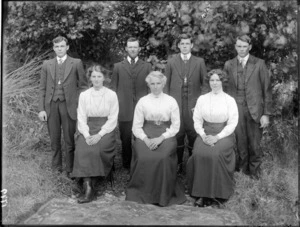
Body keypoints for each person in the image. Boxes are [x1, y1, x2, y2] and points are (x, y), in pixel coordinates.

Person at [125, 71, 186, 206]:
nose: (156, 86)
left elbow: (176, 126)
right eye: (152, 84)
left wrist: (161, 138)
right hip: (145, 133)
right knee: (143, 155)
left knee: (163, 157)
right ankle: (141, 193)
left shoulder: (171, 101)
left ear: (163, 84)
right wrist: (146, 139)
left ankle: (163, 194)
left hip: (166, 134)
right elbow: (136, 126)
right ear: (148, 85)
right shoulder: (143, 101)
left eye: (158, 83)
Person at [186, 69, 238, 207]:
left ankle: (217, 195)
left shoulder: (229, 100)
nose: (214, 83)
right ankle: (200, 194)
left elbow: (232, 123)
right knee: (199, 153)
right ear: (209, 82)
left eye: (217, 80)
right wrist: (203, 135)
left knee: (215, 154)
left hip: (224, 134)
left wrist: (217, 137)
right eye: (212, 80)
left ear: (223, 82)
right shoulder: (202, 99)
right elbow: (196, 120)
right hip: (205, 133)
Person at [38, 36, 88, 177]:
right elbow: (42, 88)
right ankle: (56, 168)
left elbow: (83, 86)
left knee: (69, 139)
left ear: (67, 47)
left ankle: (70, 168)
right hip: (51, 105)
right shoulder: (47, 64)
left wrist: (77, 103)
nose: (59, 49)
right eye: (57, 46)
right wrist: (41, 109)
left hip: (68, 105)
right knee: (54, 138)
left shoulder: (76, 63)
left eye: (62, 46)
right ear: (53, 48)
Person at [223, 34, 272, 179]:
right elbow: (224, 89)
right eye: (239, 46)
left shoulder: (259, 64)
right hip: (235, 109)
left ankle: (255, 175)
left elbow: (266, 90)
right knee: (241, 143)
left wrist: (266, 114)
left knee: (255, 144)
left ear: (250, 47)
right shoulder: (229, 64)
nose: (242, 49)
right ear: (235, 47)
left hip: (255, 110)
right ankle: (243, 174)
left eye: (245, 46)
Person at [71, 65, 119, 203]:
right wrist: (86, 135)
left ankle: (90, 186)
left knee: (97, 148)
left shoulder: (111, 95)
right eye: (94, 76)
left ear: (104, 78)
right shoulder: (84, 95)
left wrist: (100, 135)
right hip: (87, 127)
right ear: (90, 78)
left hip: (105, 129)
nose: (96, 79)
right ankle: (88, 186)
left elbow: (113, 118)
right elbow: (81, 117)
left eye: (99, 76)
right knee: (83, 148)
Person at [164, 33, 209, 173]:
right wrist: (167, 105)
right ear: (178, 45)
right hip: (176, 106)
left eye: (187, 43)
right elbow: (165, 85)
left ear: (191, 45)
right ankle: (177, 164)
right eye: (182, 44)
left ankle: (193, 163)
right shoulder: (171, 62)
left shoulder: (199, 62)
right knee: (177, 134)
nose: (184, 46)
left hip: (193, 107)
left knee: (193, 134)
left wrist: (200, 104)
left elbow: (206, 84)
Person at [111, 37, 152, 171]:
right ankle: (127, 164)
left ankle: (142, 161)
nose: (133, 49)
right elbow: (114, 89)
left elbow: (150, 88)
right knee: (126, 137)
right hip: (125, 108)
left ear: (139, 49)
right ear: (126, 49)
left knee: (142, 136)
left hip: (142, 109)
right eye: (130, 47)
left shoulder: (147, 66)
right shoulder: (118, 67)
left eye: (135, 47)